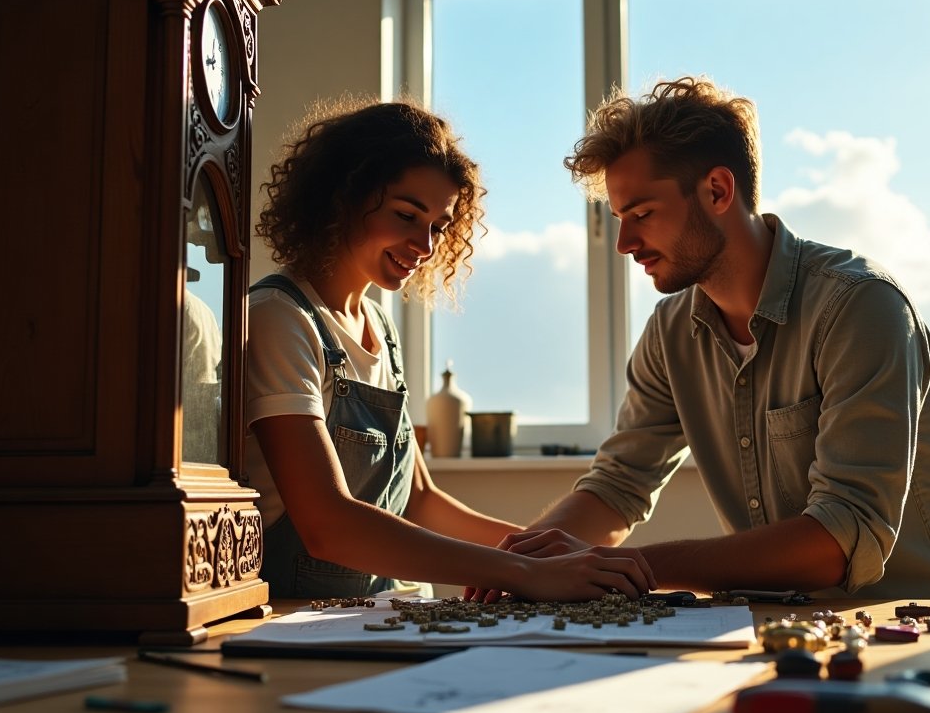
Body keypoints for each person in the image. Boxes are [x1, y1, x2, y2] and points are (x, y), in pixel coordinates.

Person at [488, 77, 930, 599]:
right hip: (783, 631)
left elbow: (840, 538)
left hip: (925, 637)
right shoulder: (670, 332)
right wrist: (525, 564)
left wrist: (628, 567)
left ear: (717, 191)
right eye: (620, 219)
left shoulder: (860, 306)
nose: (625, 243)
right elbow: (618, 487)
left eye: (641, 215)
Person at [246, 97, 654, 601]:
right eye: (405, 215)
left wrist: (550, 554)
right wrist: (521, 572)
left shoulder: (378, 323)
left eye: (439, 226)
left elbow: (418, 498)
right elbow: (327, 524)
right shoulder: (277, 317)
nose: (426, 245)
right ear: (340, 199)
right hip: (295, 621)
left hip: (376, 611)